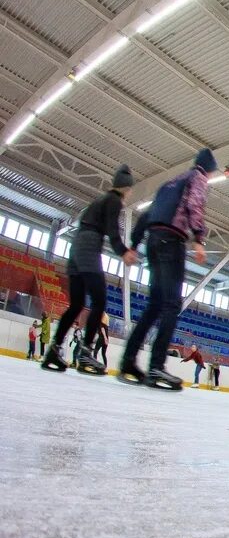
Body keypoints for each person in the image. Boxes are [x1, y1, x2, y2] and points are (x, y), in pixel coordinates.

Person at [120, 151, 216, 389]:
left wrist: (134, 244)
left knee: (155, 306)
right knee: (172, 304)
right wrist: (199, 238)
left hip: (153, 242)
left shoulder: (170, 184)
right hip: (172, 242)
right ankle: (156, 367)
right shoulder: (198, 178)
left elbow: (146, 216)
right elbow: (195, 205)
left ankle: (128, 361)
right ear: (209, 169)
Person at [44, 165, 139, 373]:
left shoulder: (99, 200)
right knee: (100, 301)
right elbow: (113, 231)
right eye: (130, 188)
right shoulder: (114, 200)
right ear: (125, 187)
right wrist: (124, 251)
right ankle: (86, 353)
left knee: (76, 305)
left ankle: (54, 348)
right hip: (88, 247)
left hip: (77, 246)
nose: (130, 192)